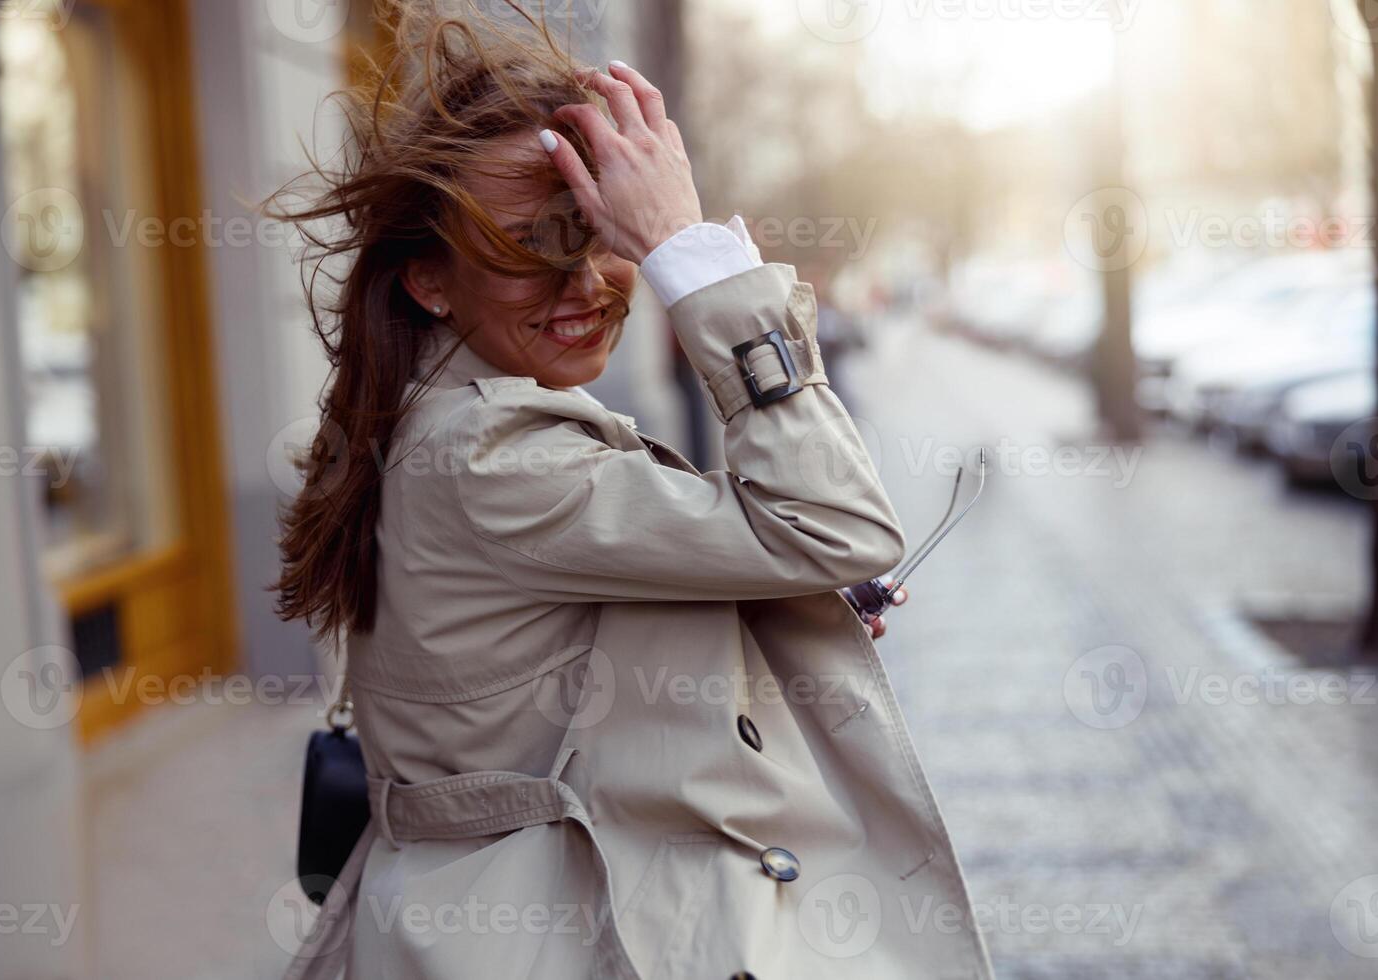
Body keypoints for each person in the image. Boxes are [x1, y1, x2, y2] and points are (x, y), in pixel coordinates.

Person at [271, 5, 991, 978]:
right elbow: (838, 522)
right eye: (529, 248)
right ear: (430, 280)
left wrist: (750, 603)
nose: (585, 286)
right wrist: (687, 252)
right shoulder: (493, 454)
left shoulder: (422, 416)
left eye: (602, 235)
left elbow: (559, 653)